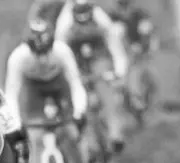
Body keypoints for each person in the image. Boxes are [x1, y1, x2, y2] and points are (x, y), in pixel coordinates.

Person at [5, 19, 91, 163]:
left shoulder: (62, 52)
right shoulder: (18, 58)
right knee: (35, 139)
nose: (43, 58)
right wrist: (15, 124)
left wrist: (79, 112)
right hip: (33, 94)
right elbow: (11, 93)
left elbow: (75, 82)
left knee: (70, 134)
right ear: (28, 47)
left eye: (46, 51)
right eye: (38, 53)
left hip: (59, 90)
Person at [55, 0, 129, 154]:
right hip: (75, 59)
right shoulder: (64, 23)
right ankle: (89, 145)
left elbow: (114, 45)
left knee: (106, 92)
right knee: (80, 101)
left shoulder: (100, 18)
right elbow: (60, 53)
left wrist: (117, 71)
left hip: (98, 56)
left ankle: (115, 135)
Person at [108, 0, 158, 113]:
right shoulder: (113, 17)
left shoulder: (140, 14)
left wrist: (142, 46)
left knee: (149, 76)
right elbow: (114, 40)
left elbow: (148, 33)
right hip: (121, 52)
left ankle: (146, 102)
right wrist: (129, 49)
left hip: (142, 49)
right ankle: (125, 101)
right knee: (121, 75)